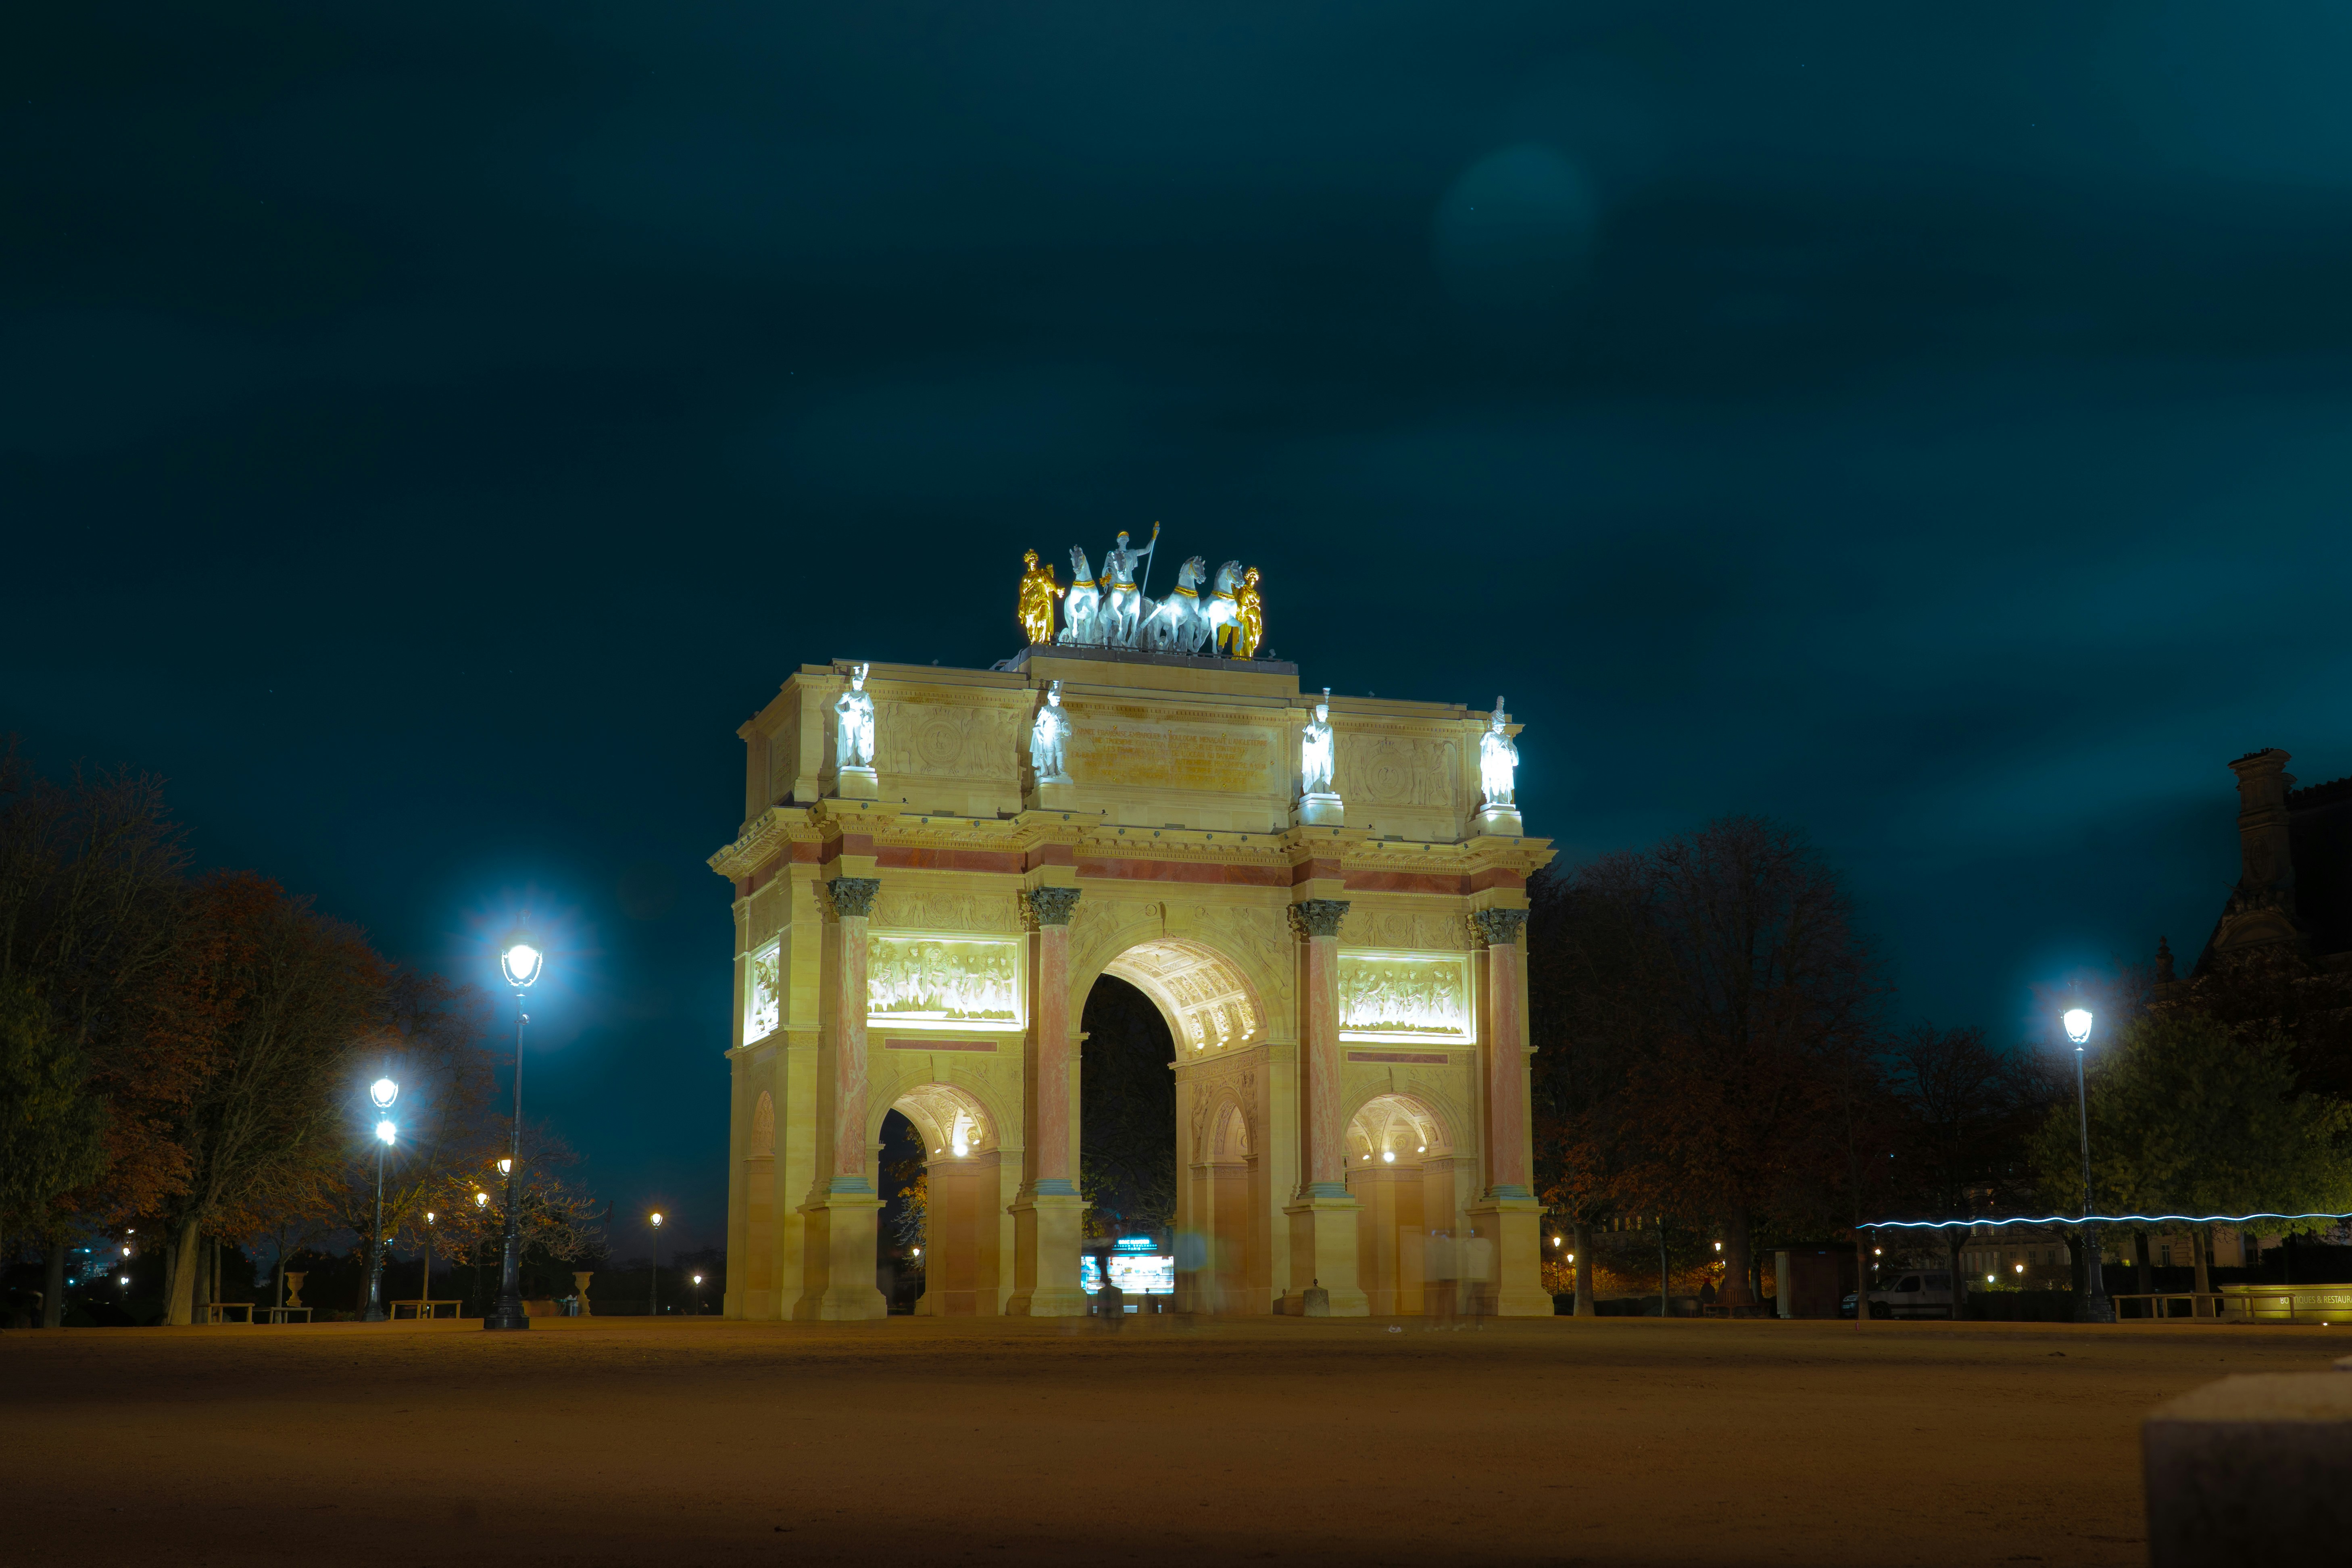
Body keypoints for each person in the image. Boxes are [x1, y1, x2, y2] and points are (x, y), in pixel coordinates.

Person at [1015, 549, 1062, 646]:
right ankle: (1035, 642)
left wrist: (1058, 590)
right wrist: (1021, 609)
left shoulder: (1043, 574)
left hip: (1042, 600)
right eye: (1032, 559)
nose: (1034, 561)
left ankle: (1042, 644)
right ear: (1028, 561)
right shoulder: (1026, 578)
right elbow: (1022, 595)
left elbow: (1052, 583)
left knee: (1043, 619)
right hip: (1030, 604)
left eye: (1035, 559)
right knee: (1031, 627)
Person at [834, 663, 875, 770]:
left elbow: (869, 709)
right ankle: (852, 763)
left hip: (860, 719)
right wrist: (843, 714)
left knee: (861, 740)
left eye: (859, 683)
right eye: (855, 683)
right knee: (850, 740)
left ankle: (862, 762)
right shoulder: (848, 695)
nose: (857, 685)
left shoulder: (865, 695)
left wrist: (869, 718)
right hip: (849, 718)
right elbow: (836, 706)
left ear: (862, 684)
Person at [1479, 699, 1518, 808]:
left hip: (1504, 762)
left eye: (1502, 727)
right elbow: (1482, 743)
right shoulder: (1490, 735)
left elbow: (1513, 748)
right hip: (1495, 762)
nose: (1501, 729)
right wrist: (1487, 735)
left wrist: (1512, 753)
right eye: (1499, 727)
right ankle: (1495, 797)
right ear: (1495, 726)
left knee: (1504, 781)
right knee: (1495, 780)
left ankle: (1501, 797)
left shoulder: (1506, 737)